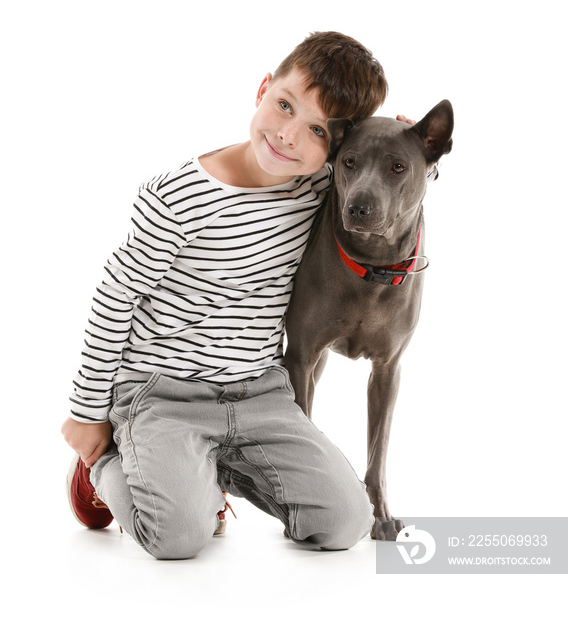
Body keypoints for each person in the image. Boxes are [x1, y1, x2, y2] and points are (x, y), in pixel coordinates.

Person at [62, 31, 390, 560]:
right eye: (284, 106)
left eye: (316, 132)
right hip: (162, 394)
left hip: (259, 394)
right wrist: (87, 413)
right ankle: (107, 466)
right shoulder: (176, 197)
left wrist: (398, 140)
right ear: (262, 88)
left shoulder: (318, 187)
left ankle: (211, 469)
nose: (288, 136)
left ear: (338, 149)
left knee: (346, 521)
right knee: (179, 537)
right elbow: (114, 297)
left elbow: (383, 172)